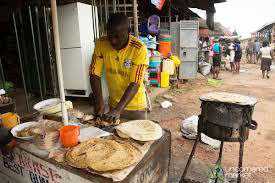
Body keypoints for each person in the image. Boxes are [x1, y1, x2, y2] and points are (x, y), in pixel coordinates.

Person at [89, 13, 148, 122]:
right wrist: (100, 104)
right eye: (110, 36)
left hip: (136, 108)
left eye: (117, 36)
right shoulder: (101, 43)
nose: (113, 41)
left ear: (128, 32)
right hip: (113, 105)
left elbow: (135, 82)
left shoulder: (139, 49)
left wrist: (118, 110)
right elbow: (94, 74)